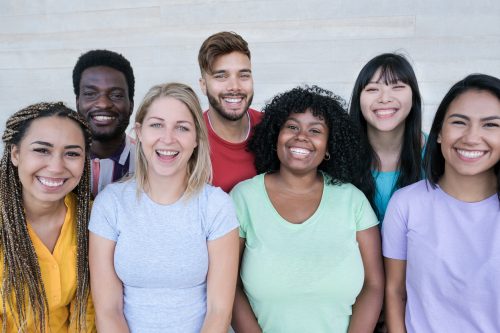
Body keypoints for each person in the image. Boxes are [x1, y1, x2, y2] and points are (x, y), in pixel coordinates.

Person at [231, 86, 384, 332]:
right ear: (276, 135)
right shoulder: (244, 197)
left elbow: (374, 284)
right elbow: (229, 285)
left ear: (328, 147)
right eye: (292, 127)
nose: (301, 136)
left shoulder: (352, 201)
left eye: (315, 130)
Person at [89, 83, 239, 332]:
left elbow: (219, 311)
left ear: (196, 140)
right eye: (156, 125)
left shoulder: (216, 206)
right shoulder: (110, 204)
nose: (168, 138)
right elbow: (108, 310)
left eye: (182, 127)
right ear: (139, 133)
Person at [383, 74, 500, 332]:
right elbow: (394, 291)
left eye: (491, 125)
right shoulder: (406, 203)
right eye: (459, 122)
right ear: (438, 133)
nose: (471, 137)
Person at [0, 102, 94, 332]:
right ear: (15, 153)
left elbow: (90, 312)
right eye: (42, 150)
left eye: (71, 153)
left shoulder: (94, 220)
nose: (55, 167)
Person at [349, 53, 424, 223]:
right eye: (372, 89)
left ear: (414, 96)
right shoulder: (340, 155)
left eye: (397, 87)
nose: (384, 98)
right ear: (358, 99)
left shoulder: (438, 153)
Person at [198, 31, 263, 192]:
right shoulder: (191, 138)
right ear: (203, 85)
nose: (234, 86)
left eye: (243, 75)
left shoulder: (272, 129)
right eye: (221, 76)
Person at [73, 49, 136, 197]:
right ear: (77, 103)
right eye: (90, 94)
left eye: (116, 95)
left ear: (131, 104)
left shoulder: (150, 162)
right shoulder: (56, 162)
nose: (103, 104)